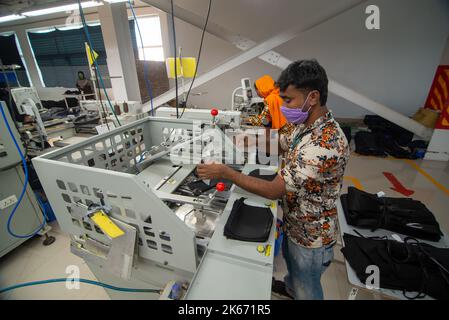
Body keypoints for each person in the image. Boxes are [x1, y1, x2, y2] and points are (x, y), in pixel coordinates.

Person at [197, 59, 350, 300]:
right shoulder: (305, 124)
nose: (284, 105)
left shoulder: (324, 144)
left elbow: (274, 190)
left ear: (312, 97)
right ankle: (290, 289)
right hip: (295, 223)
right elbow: (280, 140)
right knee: (294, 276)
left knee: (307, 288)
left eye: (288, 100)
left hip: (310, 238)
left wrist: (226, 173)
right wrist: (246, 137)